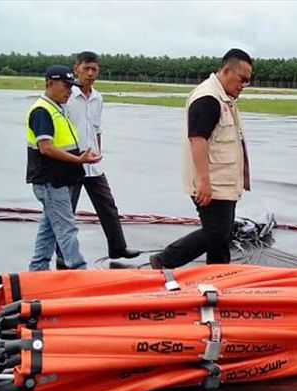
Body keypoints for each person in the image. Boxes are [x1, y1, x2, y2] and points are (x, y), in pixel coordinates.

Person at [149, 48, 253, 269]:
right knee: (216, 234)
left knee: (221, 235)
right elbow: (198, 140)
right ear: (226, 70)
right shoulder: (208, 98)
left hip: (223, 181)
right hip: (213, 183)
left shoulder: (224, 97)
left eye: (247, 82)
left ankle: (217, 276)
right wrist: (203, 181)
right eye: (242, 79)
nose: (243, 86)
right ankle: (165, 260)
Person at [59, 51, 140, 266]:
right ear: (76, 68)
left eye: (94, 69)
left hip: (92, 163)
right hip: (71, 161)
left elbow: (97, 128)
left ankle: (117, 248)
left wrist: (98, 152)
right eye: (86, 68)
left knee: (107, 206)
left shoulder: (98, 98)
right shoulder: (67, 96)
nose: (91, 73)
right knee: (67, 212)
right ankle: (62, 255)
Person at [26, 64, 101, 271]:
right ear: (50, 83)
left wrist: (82, 156)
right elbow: (46, 148)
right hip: (51, 182)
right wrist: (78, 161)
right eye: (66, 86)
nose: (69, 91)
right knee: (66, 229)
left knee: (49, 229)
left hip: (60, 180)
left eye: (71, 87)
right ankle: (79, 270)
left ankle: (37, 271)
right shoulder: (42, 111)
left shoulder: (58, 109)